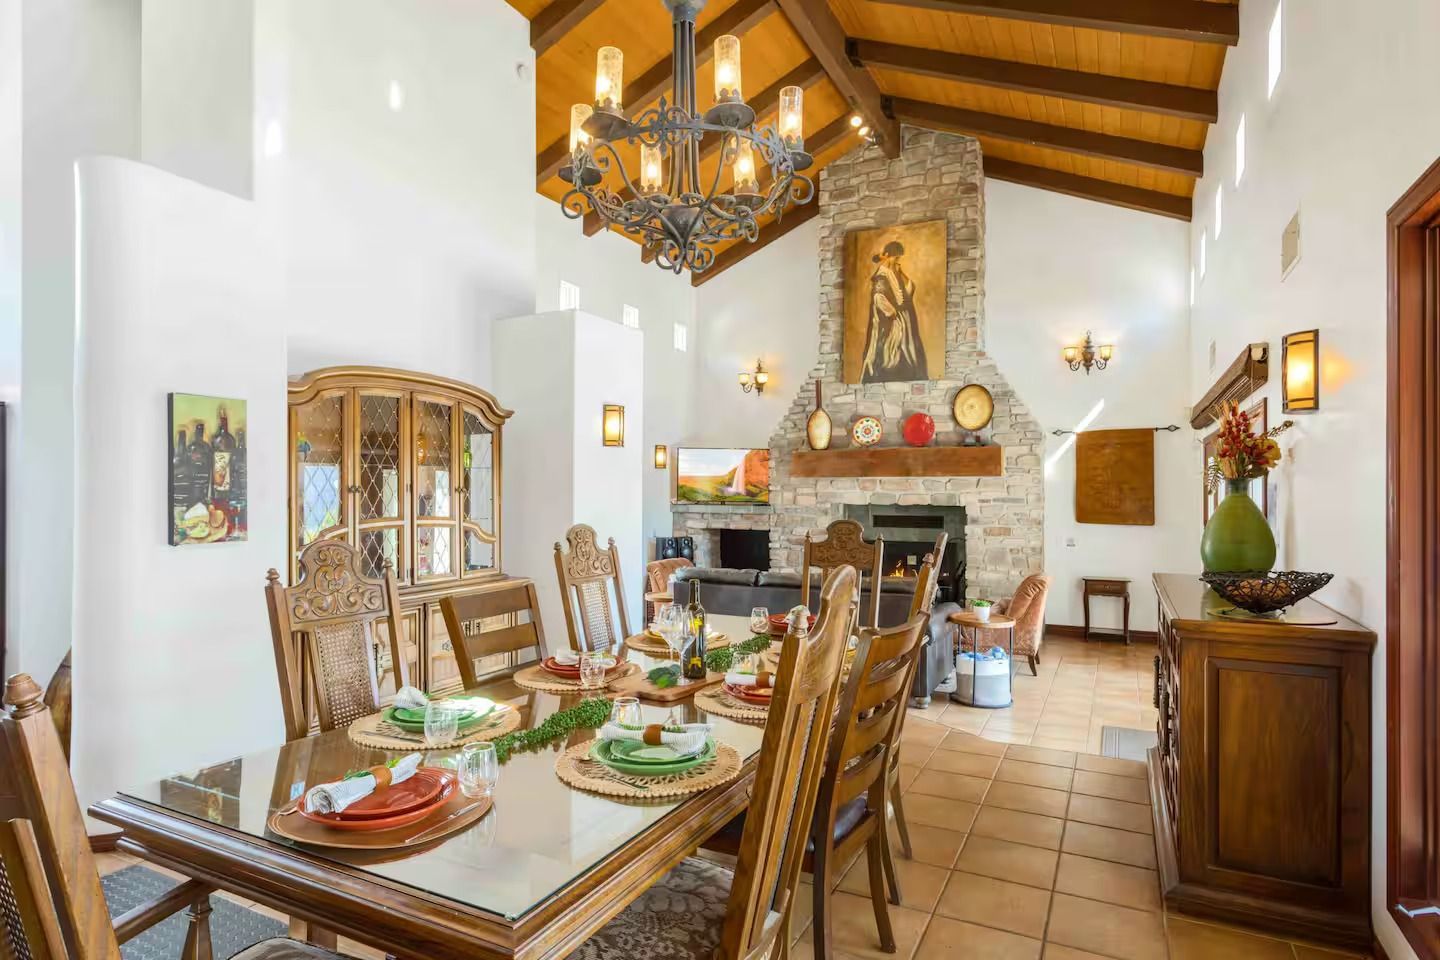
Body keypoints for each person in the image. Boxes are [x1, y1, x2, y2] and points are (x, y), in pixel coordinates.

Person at [860, 239, 928, 382]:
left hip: (904, 323)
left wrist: (901, 272)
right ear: (887, 255)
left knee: (909, 353)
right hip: (891, 324)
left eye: (899, 258)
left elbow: (907, 292)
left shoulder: (894, 274)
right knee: (890, 357)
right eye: (896, 258)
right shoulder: (882, 275)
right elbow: (879, 297)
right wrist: (893, 314)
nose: (897, 261)